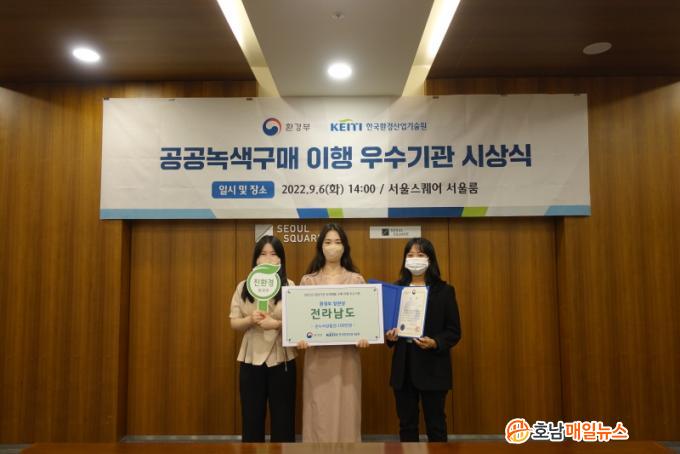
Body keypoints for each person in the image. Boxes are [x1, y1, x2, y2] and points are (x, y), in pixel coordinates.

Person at [296, 223, 369, 442]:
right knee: (319, 413)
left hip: (346, 359)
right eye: (328, 242)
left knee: (347, 410)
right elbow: (300, 323)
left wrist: (366, 336)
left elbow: (364, 322)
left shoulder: (356, 280)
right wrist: (298, 338)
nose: (333, 247)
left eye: (338, 242)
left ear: (345, 247)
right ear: (321, 246)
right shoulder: (308, 281)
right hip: (317, 360)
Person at [385, 237, 461, 442]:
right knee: (406, 425)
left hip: (433, 366)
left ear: (430, 259)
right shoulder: (396, 290)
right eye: (410, 255)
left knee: (436, 425)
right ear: (404, 260)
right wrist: (390, 336)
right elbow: (389, 330)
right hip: (404, 368)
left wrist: (435, 342)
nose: (415, 259)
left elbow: (454, 331)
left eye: (420, 255)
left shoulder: (444, 291)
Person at [229, 236, 296, 442]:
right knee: (251, 418)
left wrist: (276, 324)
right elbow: (234, 322)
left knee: (283, 419)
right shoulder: (243, 286)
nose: (268, 259)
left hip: (282, 359)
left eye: (273, 254)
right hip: (251, 360)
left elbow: (299, 323)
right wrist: (250, 319)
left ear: (281, 259)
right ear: (256, 259)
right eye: (263, 254)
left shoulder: (290, 285)